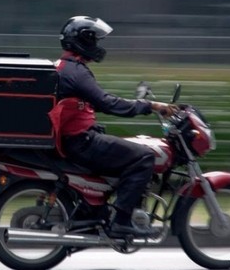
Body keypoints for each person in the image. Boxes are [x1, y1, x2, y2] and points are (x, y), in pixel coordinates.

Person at [49, 16, 176, 237]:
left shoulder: (65, 67)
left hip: (75, 139)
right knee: (144, 157)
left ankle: (101, 208)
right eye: (93, 40)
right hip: (81, 142)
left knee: (124, 150)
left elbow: (86, 104)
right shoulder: (76, 72)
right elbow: (107, 103)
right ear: (81, 41)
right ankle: (122, 220)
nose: (96, 46)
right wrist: (150, 106)